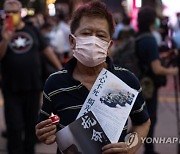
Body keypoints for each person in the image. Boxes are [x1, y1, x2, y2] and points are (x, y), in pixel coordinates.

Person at [35, 1, 150, 154]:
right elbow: (44, 125)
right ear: (72, 41)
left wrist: (130, 147)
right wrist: (43, 133)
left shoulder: (127, 80)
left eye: (101, 35)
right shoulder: (55, 82)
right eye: (86, 33)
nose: (93, 41)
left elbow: (142, 122)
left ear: (109, 46)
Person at [0, 0, 63, 154]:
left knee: (31, 124)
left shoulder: (32, 29)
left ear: (20, 13)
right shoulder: (1, 32)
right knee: (14, 125)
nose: (11, 15)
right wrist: (6, 38)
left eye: (15, 12)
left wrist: (60, 69)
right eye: (8, 12)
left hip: (33, 85)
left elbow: (46, 50)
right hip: (11, 87)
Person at [135, 7, 178, 154]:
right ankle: (149, 150)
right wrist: (174, 71)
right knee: (150, 118)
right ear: (152, 22)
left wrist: (164, 56)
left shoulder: (138, 37)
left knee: (140, 117)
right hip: (149, 86)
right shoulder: (150, 39)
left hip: (138, 82)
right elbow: (157, 69)